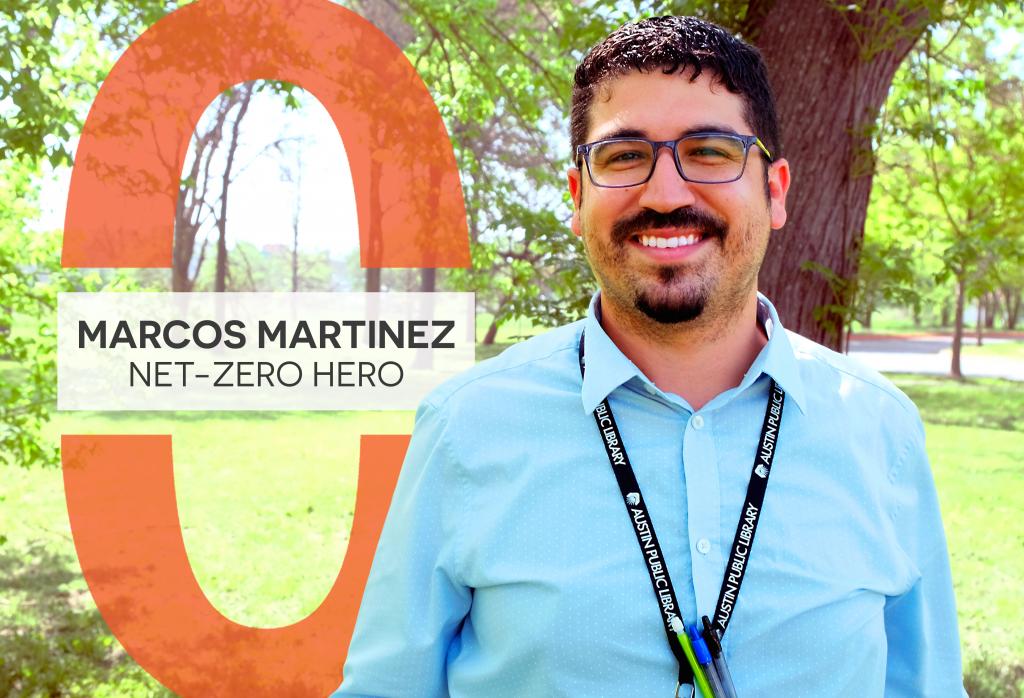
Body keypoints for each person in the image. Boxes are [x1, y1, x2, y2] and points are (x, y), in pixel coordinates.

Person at [333, 15, 965, 697]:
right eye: (623, 156)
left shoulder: (882, 432)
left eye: (712, 151)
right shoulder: (466, 426)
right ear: (577, 198)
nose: (665, 195)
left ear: (775, 191)